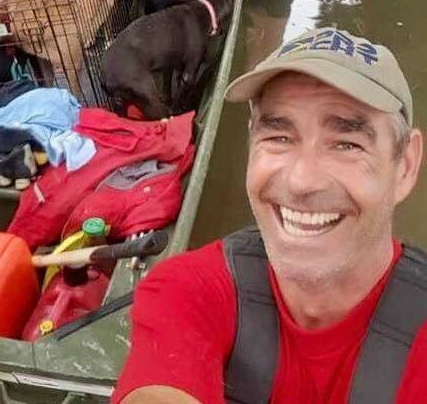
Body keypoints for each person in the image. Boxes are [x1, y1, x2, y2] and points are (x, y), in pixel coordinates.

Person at [113, 27, 427, 403]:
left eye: (347, 143)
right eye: (278, 137)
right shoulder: (189, 291)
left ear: (406, 166)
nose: (301, 181)